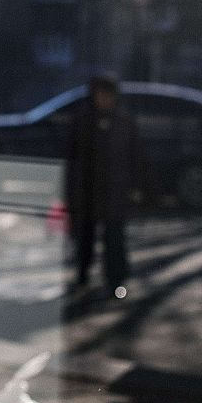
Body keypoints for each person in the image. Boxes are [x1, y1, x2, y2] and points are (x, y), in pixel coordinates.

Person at [65, 74, 140, 299]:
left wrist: (136, 186)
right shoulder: (83, 121)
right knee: (85, 239)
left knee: (115, 241)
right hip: (87, 190)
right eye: (100, 94)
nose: (104, 99)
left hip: (114, 191)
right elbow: (72, 157)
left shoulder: (123, 121)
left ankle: (117, 285)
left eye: (108, 95)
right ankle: (82, 278)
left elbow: (135, 156)